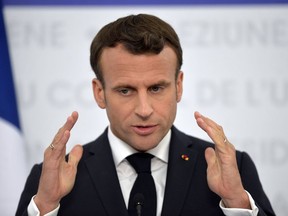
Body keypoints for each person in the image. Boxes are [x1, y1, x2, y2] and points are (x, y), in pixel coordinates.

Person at [16, 14, 275, 216]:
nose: (144, 110)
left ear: (179, 86)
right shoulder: (51, 177)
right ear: (99, 93)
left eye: (156, 88)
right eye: (126, 90)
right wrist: (46, 206)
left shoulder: (232, 167)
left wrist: (236, 204)